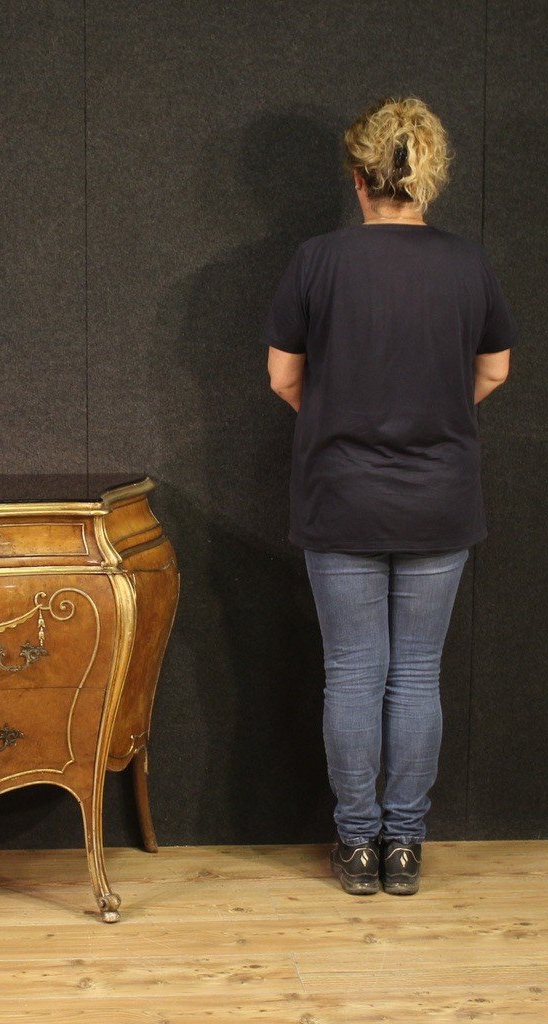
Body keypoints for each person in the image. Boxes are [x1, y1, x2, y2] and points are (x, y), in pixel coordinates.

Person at [261, 96, 518, 896]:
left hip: (342, 496)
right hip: (439, 498)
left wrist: (344, 414)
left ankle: (356, 848)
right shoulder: (467, 263)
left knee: (352, 672)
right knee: (414, 675)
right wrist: (436, 410)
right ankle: (405, 847)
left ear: (358, 177)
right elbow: (496, 369)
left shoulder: (317, 261)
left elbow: (282, 376)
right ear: (428, 176)